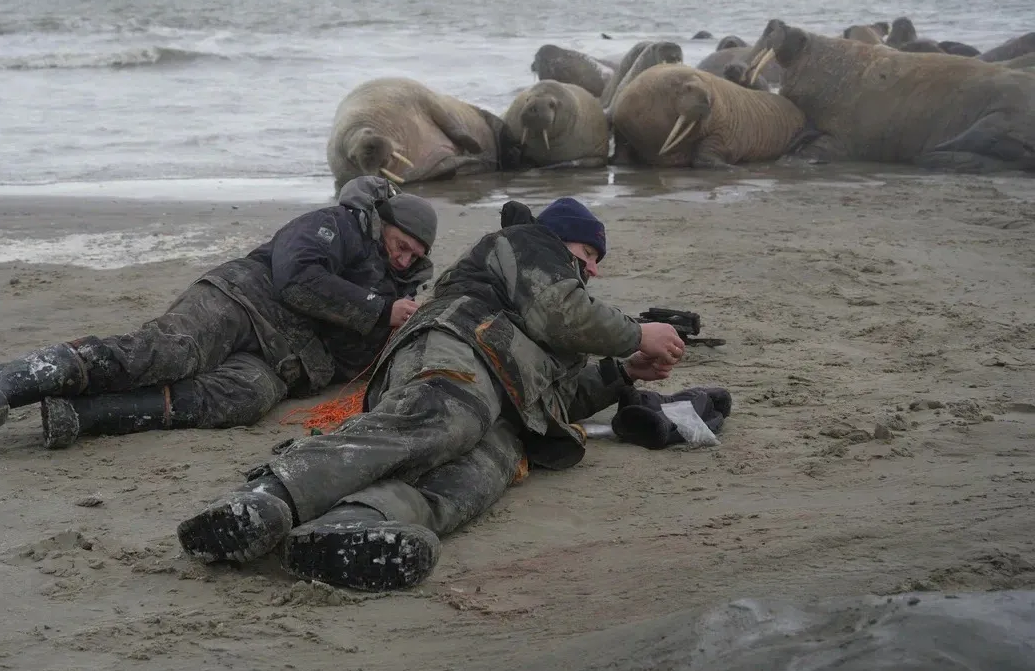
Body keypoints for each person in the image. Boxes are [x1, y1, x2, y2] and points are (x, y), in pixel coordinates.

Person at [174, 196, 698, 592]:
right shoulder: (529, 245)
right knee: (439, 421)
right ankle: (267, 497)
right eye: (589, 253)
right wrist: (636, 333)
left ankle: (353, 526)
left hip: (510, 405)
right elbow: (560, 311)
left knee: (469, 481)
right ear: (563, 242)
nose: (595, 269)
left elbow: (556, 396)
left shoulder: (564, 320)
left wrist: (625, 372)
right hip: (461, 348)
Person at [0, 175, 439, 449]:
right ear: (382, 224)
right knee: (170, 353)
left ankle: (82, 416)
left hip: (281, 364)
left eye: (413, 257)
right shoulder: (337, 225)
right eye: (400, 246)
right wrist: (378, 309)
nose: (403, 259)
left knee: (243, 401)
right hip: (243, 299)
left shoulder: (401, 300)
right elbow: (297, 279)